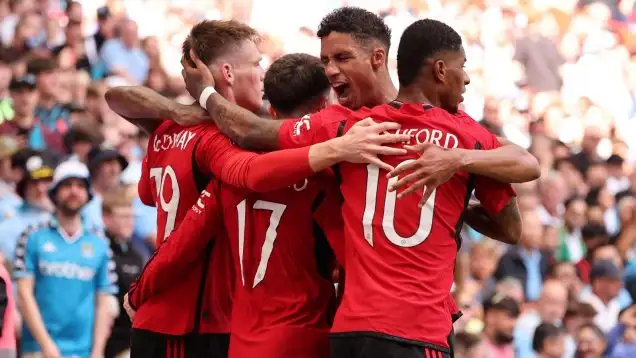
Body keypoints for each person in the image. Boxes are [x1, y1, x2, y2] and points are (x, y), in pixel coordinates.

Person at [190, 18, 522, 357]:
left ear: (377, 58)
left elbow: (250, 133)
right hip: (415, 330)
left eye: (341, 58)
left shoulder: (345, 126)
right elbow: (514, 217)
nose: (331, 70)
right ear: (439, 70)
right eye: (325, 61)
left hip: (348, 331)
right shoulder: (467, 135)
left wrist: (202, 94)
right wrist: (456, 180)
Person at [111, 20, 408, 358]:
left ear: (272, 109)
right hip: (203, 323)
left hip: (223, 333)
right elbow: (251, 174)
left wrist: (139, 292)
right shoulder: (242, 153)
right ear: (227, 72)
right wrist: (338, 149)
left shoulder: (167, 131)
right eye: (256, 64)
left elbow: (151, 198)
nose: (261, 72)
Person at [129, 52, 344, 358]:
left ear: (270, 112)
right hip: (306, 339)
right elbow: (352, 260)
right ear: (324, 107)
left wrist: (138, 292)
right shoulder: (326, 179)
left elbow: (179, 245)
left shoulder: (228, 175)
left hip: (242, 344)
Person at [13, 160, 118, 358]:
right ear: (54, 192)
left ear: (88, 194)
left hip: (84, 351)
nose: (74, 191)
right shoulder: (32, 235)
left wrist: (97, 352)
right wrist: (46, 347)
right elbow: (24, 294)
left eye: (80, 186)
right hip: (38, 350)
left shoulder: (100, 242)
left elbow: (103, 300)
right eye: (67, 185)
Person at [102, 187, 145, 358]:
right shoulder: (100, 249)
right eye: (123, 217)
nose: (130, 222)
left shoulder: (136, 254)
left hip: (131, 339)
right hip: (106, 340)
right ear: (106, 218)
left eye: (131, 217)